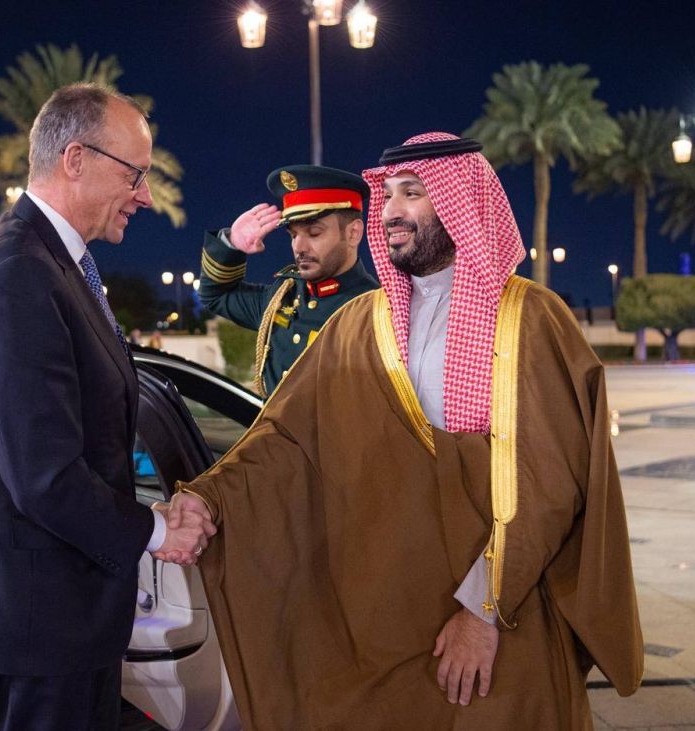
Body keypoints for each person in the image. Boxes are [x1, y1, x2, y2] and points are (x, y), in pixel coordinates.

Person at [168, 133, 643, 728]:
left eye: (412, 193)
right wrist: (205, 498)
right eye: (388, 194)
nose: (390, 210)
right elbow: (285, 435)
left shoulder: (530, 318)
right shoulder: (359, 321)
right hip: (390, 602)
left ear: (461, 204)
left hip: (505, 609)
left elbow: (548, 481)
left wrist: (483, 613)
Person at [0, 83, 213, 731]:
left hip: (56, 609)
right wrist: (159, 533)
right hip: (38, 614)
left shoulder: (50, 262)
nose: (145, 195)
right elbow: (45, 477)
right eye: (135, 174)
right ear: (76, 159)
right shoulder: (19, 273)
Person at [198, 165, 378, 396]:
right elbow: (215, 295)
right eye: (293, 235)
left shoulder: (375, 311)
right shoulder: (282, 295)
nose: (299, 247)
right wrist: (231, 244)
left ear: (353, 233)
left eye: (314, 233)